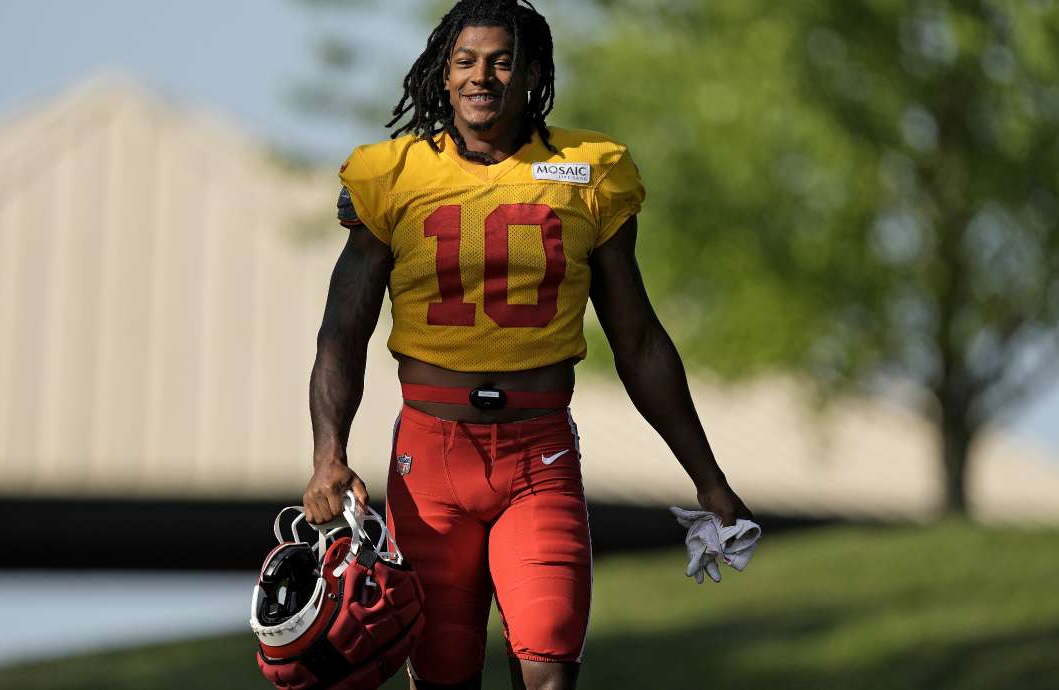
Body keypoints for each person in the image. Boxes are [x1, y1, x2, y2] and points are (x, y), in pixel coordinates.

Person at [300, 1, 752, 688]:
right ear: (443, 73)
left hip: (537, 456)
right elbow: (342, 331)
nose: (481, 77)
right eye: (465, 61)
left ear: (534, 72)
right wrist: (328, 456)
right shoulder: (391, 174)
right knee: (443, 673)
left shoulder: (587, 170)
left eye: (502, 62)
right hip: (431, 458)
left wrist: (708, 478)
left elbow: (637, 340)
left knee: (549, 671)